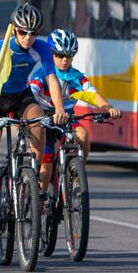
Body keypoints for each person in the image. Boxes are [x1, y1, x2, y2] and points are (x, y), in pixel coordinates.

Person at [0, 4, 67, 243]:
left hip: (21, 96)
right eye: (24, 32)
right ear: (14, 30)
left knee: (39, 121)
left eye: (33, 33)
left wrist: (59, 109)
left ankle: (31, 183)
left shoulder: (42, 48)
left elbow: (52, 80)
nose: (28, 38)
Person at [29, 28, 121, 184]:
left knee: (83, 136)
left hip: (66, 117)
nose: (65, 60)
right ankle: (41, 199)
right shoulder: (41, 74)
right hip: (44, 118)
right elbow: (31, 92)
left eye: (69, 56)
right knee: (46, 165)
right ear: (51, 54)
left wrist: (108, 108)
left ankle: (76, 172)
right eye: (60, 56)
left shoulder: (76, 77)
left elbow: (92, 94)